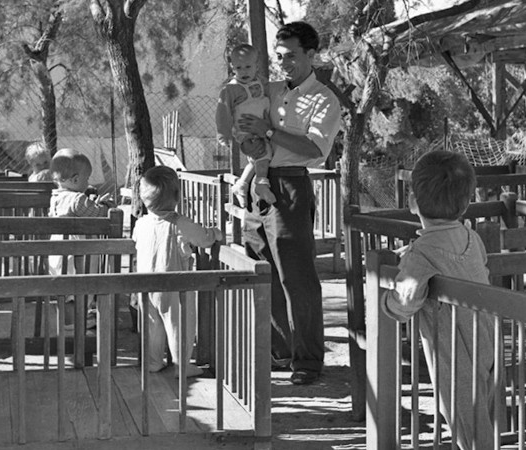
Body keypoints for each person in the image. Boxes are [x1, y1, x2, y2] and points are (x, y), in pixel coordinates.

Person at [236, 21, 341, 385]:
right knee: (260, 270)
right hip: (258, 182)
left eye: (292, 56)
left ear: (311, 55)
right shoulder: (272, 89)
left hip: (292, 186)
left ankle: (308, 360)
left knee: (296, 279)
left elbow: (314, 148)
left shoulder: (325, 100)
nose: (284, 63)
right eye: (279, 57)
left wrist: (268, 131)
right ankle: (278, 353)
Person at [382, 150, 495, 450]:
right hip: (485, 332)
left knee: (459, 412)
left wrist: (386, 303)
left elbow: (407, 300)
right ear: (467, 201)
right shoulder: (473, 238)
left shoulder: (422, 252)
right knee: (481, 409)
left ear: (413, 202)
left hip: (451, 344)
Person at [132, 166, 223, 377]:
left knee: (152, 326)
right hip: (175, 287)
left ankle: (153, 362)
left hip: (145, 285)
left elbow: (137, 241)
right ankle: (182, 364)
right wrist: (216, 234)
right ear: (177, 197)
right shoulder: (180, 223)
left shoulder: (142, 224)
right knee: (179, 325)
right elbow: (204, 238)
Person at [48, 148, 114, 329]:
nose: (87, 183)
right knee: (81, 286)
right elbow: (98, 214)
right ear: (76, 180)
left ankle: (67, 320)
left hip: (58, 252)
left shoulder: (56, 198)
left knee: (66, 290)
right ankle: (77, 321)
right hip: (76, 252)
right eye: (86, 179)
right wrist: (105, 206)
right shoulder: (77, 199)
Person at [215, 44, 275, 207]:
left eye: (248, 67)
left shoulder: (262, 82)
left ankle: (242, 185)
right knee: (263, 153)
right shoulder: (231, 89)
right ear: (232, 68)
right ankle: (261, 184)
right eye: (238, 68)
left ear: (256, 65)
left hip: (262, 127)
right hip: (246, 130)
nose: (244, 71)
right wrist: (224, 134)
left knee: (257, 159)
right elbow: (223, 111)